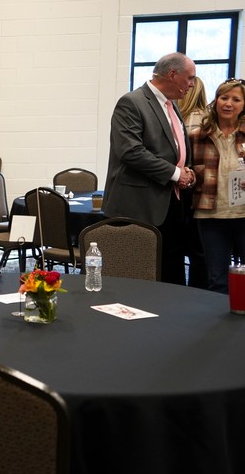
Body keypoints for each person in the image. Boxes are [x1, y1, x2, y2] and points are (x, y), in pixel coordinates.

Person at [102, 52, 197, 285]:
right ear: (172, 75)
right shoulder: (132, 102)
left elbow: (177, 147)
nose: (192, 84)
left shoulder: (171, 105)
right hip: (139, 204)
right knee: (139, 278)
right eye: (190, 78)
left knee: (170, 272)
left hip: (172, 202)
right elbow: (130, 151)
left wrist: (188, 171)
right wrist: (175, 174)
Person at [188, 78, 245, 294]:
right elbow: (187, 172)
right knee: (217, 280)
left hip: (243, 214)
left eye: (236, 99)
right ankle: (222, 326)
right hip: (211, 216)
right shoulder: (197, 136)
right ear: (216, 101)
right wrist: (190, 177)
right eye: (224, 97)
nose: (228, 103)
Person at [178, 77, 209, 289]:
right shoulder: (208, 118)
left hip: (187, 189)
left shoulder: (184, 120)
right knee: (201, 252)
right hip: (205, 193)